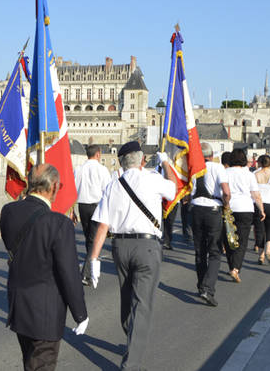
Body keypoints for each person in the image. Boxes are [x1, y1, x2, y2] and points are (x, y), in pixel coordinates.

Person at [88, 141, 176, 369]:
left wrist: (93, 259)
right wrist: (166, 162)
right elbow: (174, 188)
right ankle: (132, 364)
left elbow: (102, 226)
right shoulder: (153, 179)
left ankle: (132, 339)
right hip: (147, 247)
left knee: (127, 300)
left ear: (120, 162)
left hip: (120, 247)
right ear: (143, 160)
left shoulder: (112, 185)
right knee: (142, 305)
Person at [0, 164, 89, 371]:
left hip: (19, 305)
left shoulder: (8, 212)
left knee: (30, 362)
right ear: (54, 187)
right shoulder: (59, 223)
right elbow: (69, 274)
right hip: (45, 312)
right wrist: (80, 314)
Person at [191, 143, 230, 306]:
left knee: (200, 251)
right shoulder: (218, 167)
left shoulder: (194, 168)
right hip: (213, 209)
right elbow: (226, 191)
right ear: (212, 154)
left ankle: (201, 286)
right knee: (214, 251)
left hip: (196, 209)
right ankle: (208, 289)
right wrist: (227, 205)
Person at [224, 148, 264, 283]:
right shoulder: (249, 174)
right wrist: (262, 210)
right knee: (242, 240)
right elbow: (256, 195)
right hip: (245, 208)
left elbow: (221, 191)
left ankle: (231, 265)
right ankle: (236, 268)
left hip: (229, 208)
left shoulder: (225, 173)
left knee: (229, 239)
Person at [74, 144, 111, 283]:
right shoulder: (102, 170)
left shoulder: (78, 169)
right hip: (97, 206)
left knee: (89, 238)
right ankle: (86, 273)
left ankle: (89, 269)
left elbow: (74, 189)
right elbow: (107, 190)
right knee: (93, 240)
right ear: (98, 154)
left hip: (82, 206)